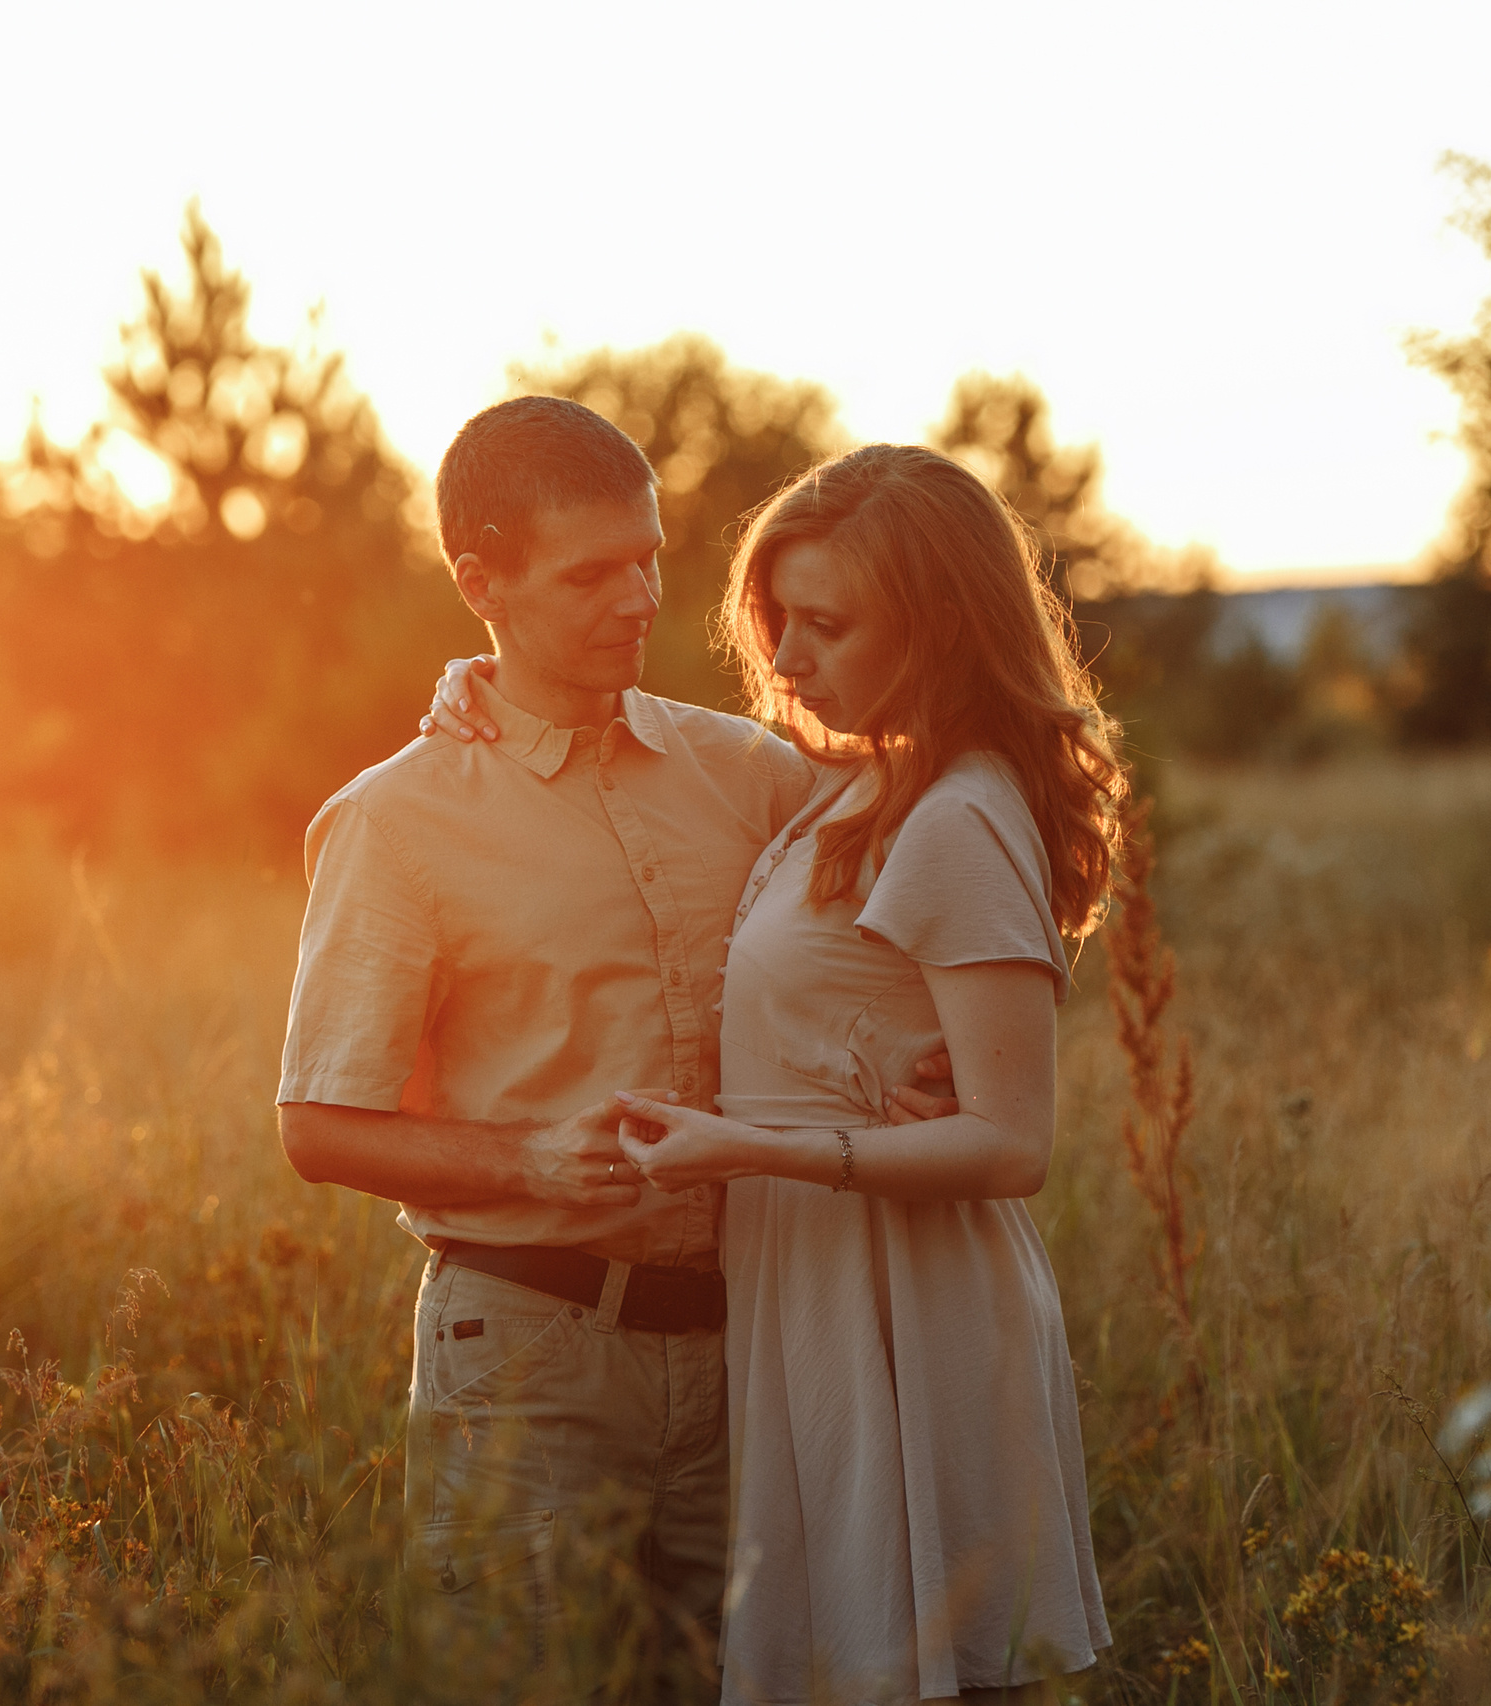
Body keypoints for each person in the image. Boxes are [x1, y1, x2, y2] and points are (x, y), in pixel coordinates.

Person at [275, 396, 952, 1696]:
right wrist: (531, 1156)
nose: (639, 595)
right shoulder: (395, 822)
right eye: (591, 572)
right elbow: (317, 1126)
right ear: (483, 582)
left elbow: (921, 875)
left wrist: (921, 1056)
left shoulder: (746, 772)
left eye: (646, 555)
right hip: (528, 1353)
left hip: (748, 1340)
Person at [437, 443, 1120, 1703]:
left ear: (939, 625)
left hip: (905, 1297)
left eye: (826, 623)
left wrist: (742, 1145)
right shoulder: (856, 785)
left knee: (914, 1664)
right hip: (811, 1284)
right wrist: (478, 684)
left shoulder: (959, 814)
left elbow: (1013, 1146)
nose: (789, 658)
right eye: (779, 619)